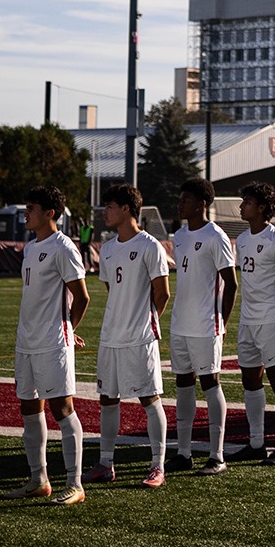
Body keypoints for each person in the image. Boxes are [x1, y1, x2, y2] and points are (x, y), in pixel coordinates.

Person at [82, 184, 171, 487]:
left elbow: (163, 293)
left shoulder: (150, 246)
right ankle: (105, 463)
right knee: (108, 399)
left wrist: (146, 321)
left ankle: (158, 465)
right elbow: (112, 290)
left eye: (109, 206)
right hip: (110, 337)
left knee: (149, 398)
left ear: (126, 210)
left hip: (139, 337)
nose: (104, 212)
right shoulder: (106, 248)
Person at [7, 185, 90, 504]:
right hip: (26, 341)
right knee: (29, 407)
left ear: (49, 213)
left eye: (31, 208)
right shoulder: (30, 247)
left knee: (62, 408)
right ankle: (38, 479)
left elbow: (82, 296)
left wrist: (67, 329)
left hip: (53, 343)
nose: (25, 213)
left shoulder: (64, 247)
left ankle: (75, 484)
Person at [166, 178, 236, 476]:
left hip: (206, 325)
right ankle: (183, 452)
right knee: (182, 385)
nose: (180, 204)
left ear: (201, 205)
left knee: (210, 384)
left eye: (185, 200)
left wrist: (221, 321)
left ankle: (217, 455)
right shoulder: (180, 236)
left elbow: (231, 284)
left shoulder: (215, 236)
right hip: (180, 323)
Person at [232, 181, 275, 465]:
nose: (241, 206)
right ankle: (256, 442)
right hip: (248, 319)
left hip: (271, 318)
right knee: (250, 380)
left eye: (246, 201)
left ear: (261, 208)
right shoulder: (243, 239)